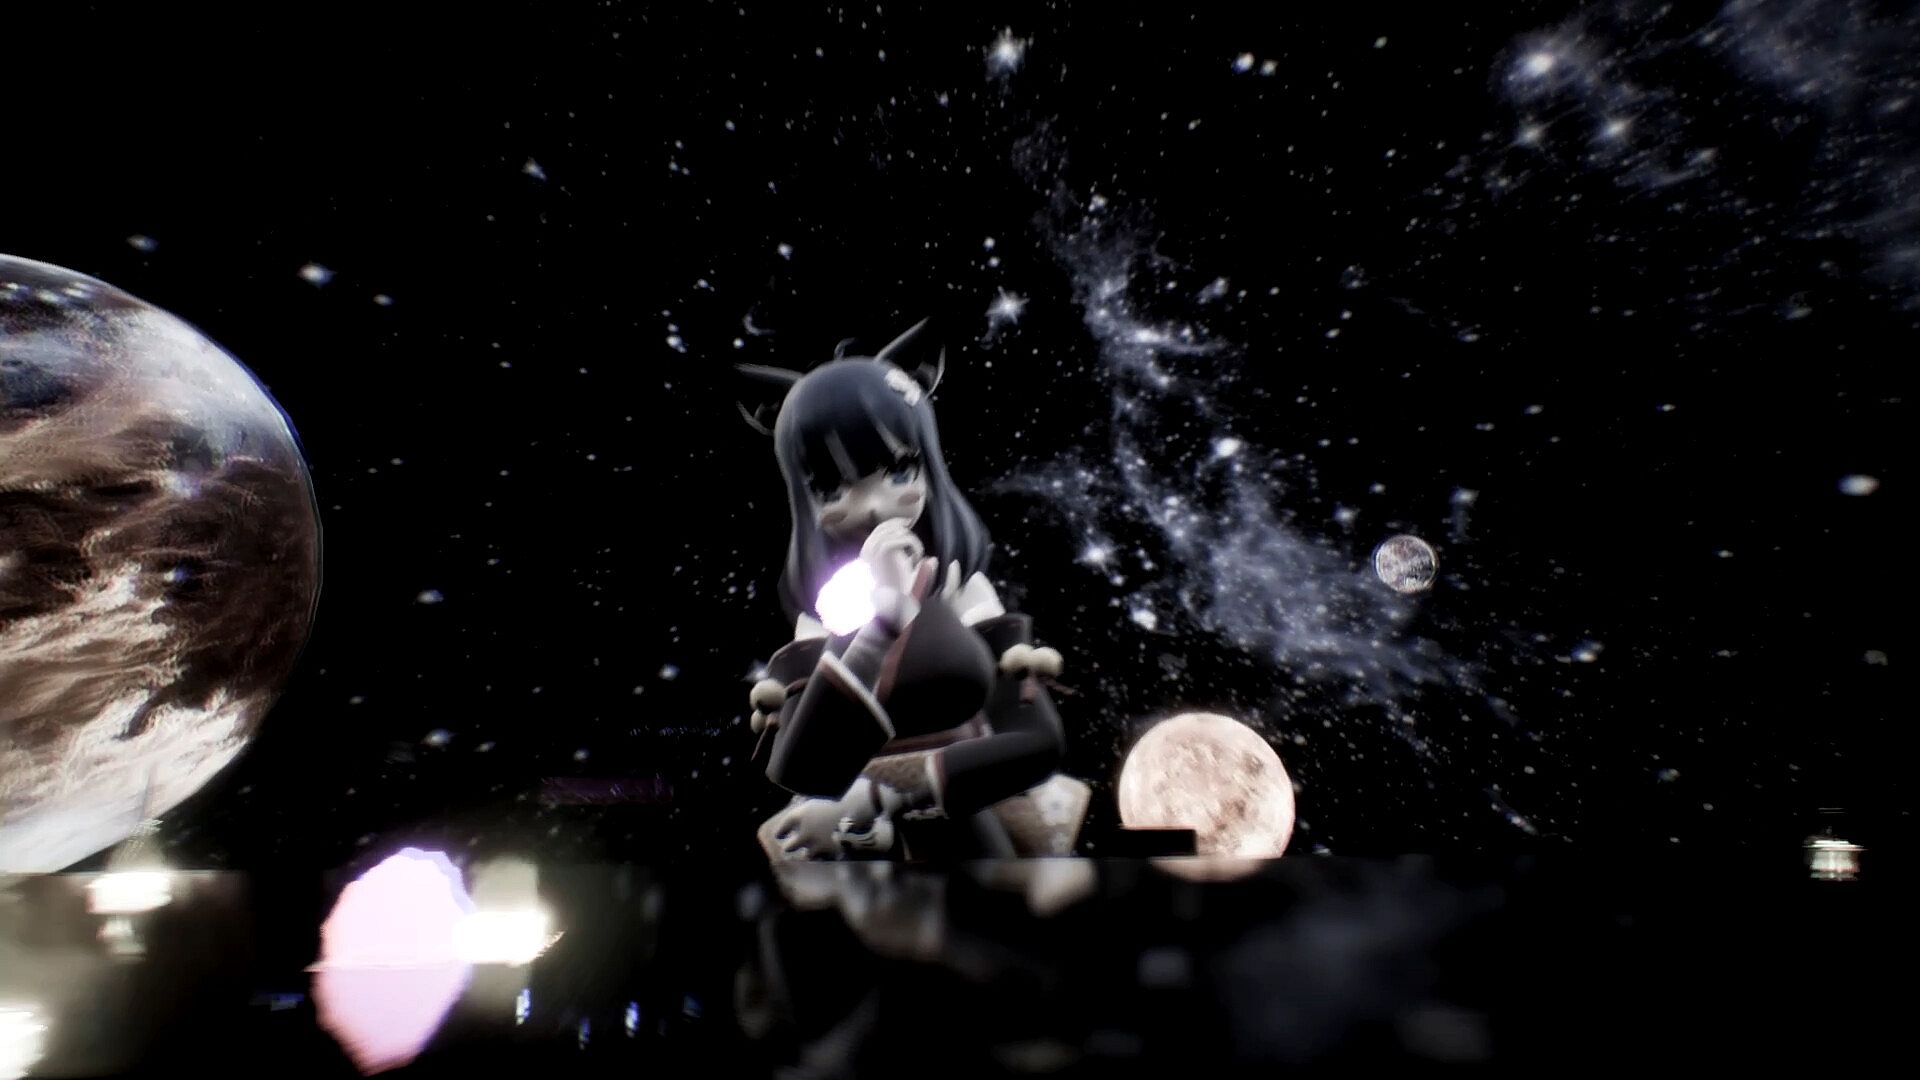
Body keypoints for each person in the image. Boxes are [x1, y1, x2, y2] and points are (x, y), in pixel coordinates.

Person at [736, 319, 1077, 860]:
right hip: (848, 848)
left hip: (958, 830)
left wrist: (879, 797)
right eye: (832, 489)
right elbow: (799, 766)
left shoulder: (962, 591)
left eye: (899, 472)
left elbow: (1038, 743)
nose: (873, 506)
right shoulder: (821, 616)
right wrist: (881, 624)